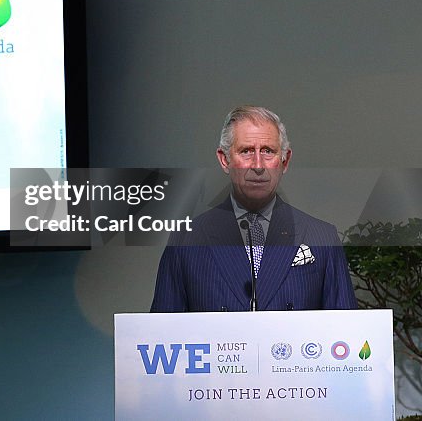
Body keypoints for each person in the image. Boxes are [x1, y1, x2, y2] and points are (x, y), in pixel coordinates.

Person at [150, 106, 356, 312]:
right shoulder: (186, 239)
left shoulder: (322, 237)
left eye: (268, 151)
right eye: (246, 151)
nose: (258, 165)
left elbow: (346, 333)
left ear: (285, 161)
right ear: (224, 160)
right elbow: (160, 334)